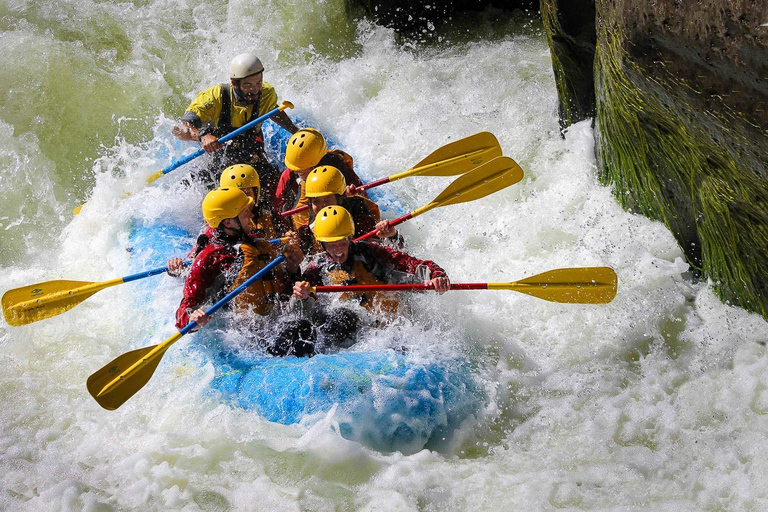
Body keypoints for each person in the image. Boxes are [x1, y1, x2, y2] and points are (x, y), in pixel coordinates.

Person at [175, 187, 312, 356]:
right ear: (228, 222)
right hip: (242, 337)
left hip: (274, 322)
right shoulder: (209, 258)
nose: (252, 216)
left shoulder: (259, 243)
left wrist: (293, 269)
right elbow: (185, 309)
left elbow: (282, 290)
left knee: (304, 329)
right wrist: (192, 319)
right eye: (245, 212)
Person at [292, 206, 450, 348]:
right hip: (355, 339)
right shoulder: (316, 269)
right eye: (332, 244)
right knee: (341, 317)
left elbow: (415, 264)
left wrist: (437, 276)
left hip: (392, 331)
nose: (338, 249)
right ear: (322, 243)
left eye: (342, 242)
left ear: (350, 237)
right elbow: (300, 315)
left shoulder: (371, 252)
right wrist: (301, 297)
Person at [172, 53, 299, 197]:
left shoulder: (266, 93)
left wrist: (296, 131)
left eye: (258, 83)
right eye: (248, 85)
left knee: (281, 191)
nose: (255, 90)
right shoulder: (214, 97)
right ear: (234, 84)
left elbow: (274, 111)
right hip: (220, 165)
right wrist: (202, 136)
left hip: (252, 159)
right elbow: (181, 128)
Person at [166, 163, 287, 276]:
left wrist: (291, 241)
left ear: (256, 193)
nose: (243, 200)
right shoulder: (219, 226)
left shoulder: (268, 214)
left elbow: (287, 236)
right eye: (238, 195)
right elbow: (195, 260)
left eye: (247, 193)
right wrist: (177, 268)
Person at [293, 165, 402, 255]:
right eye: (316, 201)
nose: (323, 205)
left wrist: (392, 235)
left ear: (340, 199)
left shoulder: (359, 218)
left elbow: (393, 251)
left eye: (328, 198)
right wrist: (293, 245)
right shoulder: (308, 229)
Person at [274, 128, 366, 229]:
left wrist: (350, 196)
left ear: (316, 164)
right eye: (293, 167)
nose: (295, 171)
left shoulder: (339, 167)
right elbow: (277, 209)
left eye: (300, 169)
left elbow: (363, 196)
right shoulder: (289, 175)